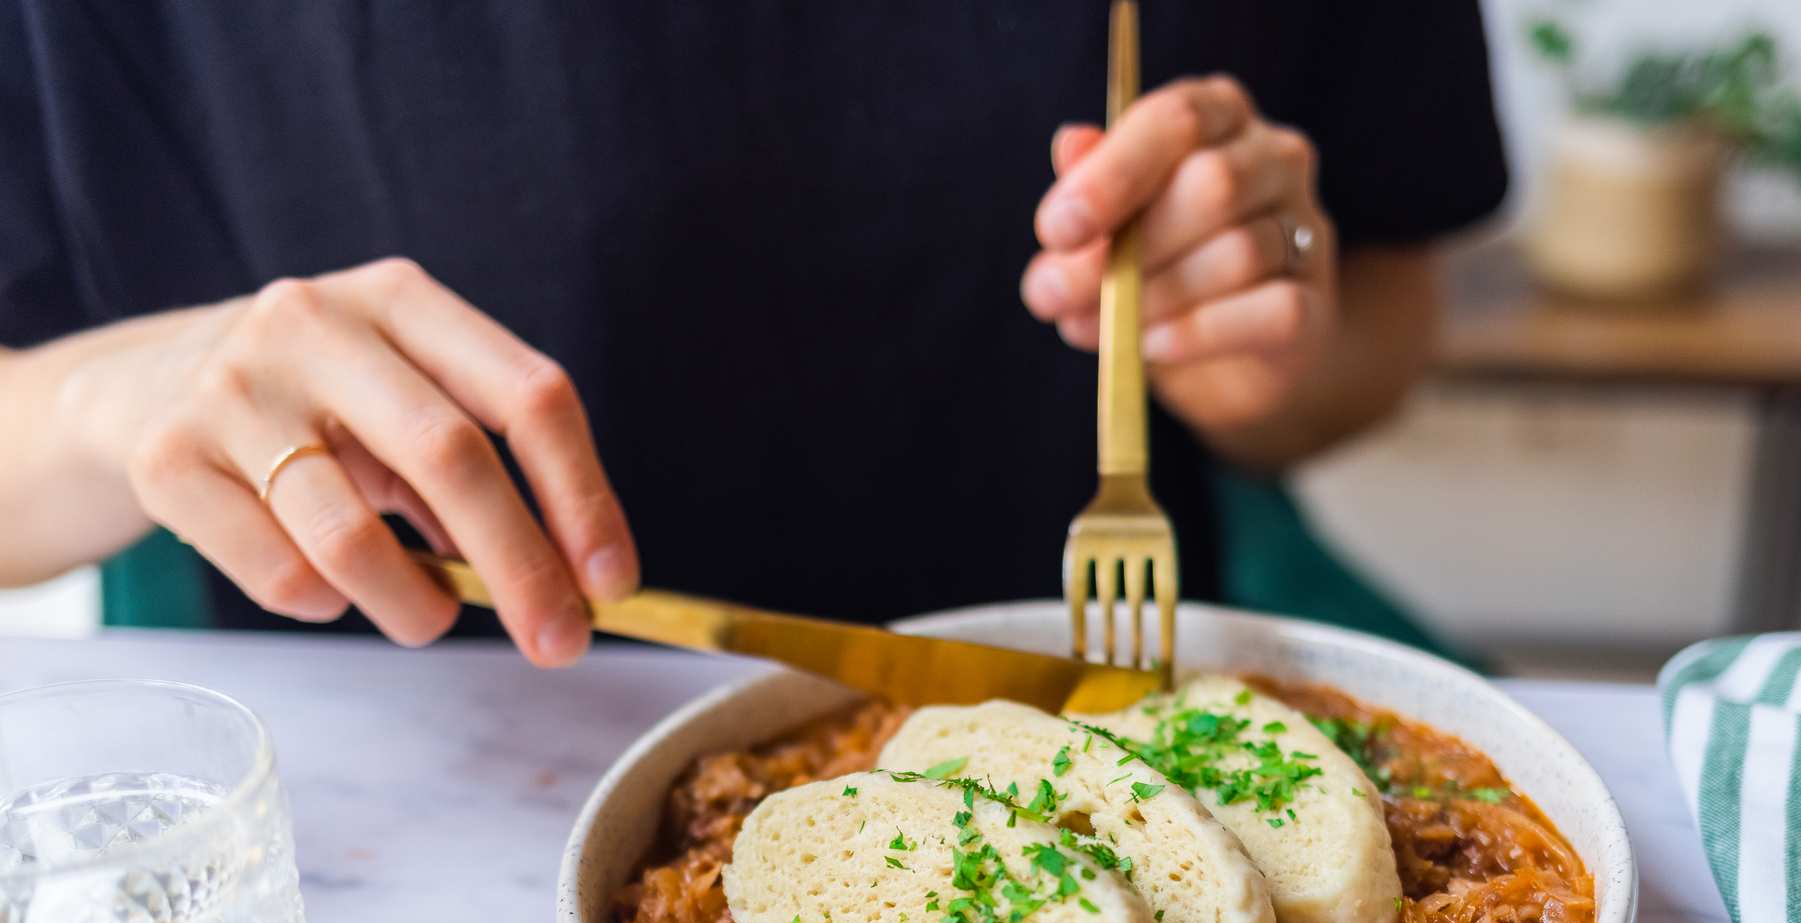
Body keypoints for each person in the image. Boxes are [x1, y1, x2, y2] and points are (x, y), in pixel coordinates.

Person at [0, 4, 1507, 666]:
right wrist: (105, 401)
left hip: (1083, 716)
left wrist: (1264, 334)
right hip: (379, 839)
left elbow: (1387, 308)